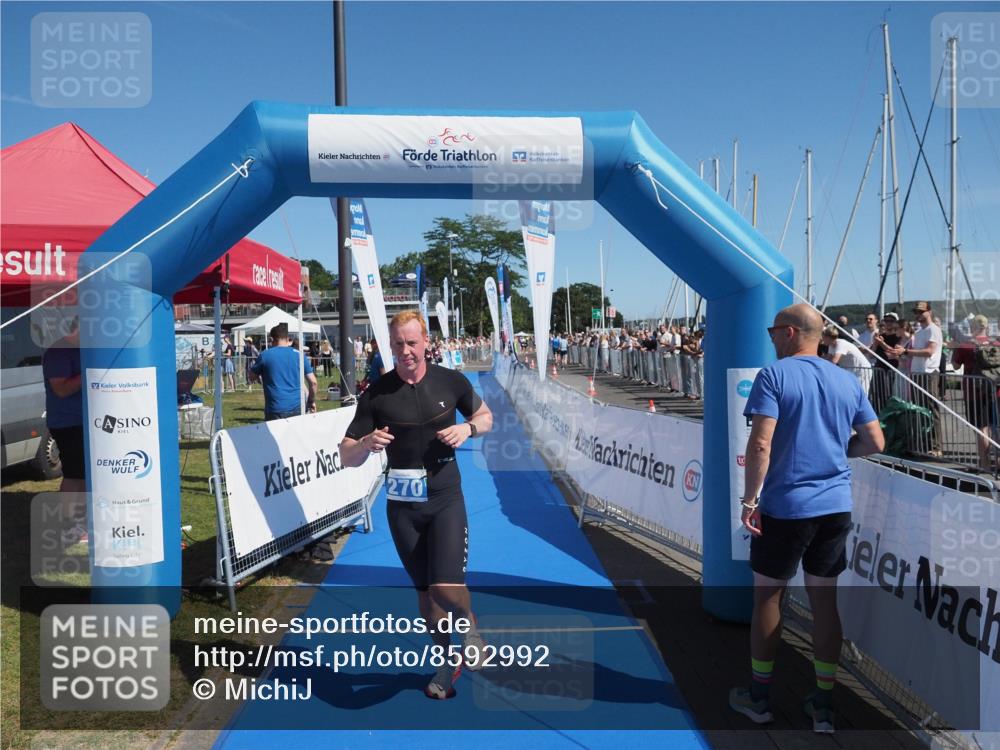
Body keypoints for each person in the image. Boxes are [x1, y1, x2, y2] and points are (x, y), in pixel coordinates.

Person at [729, 303, 884, 734]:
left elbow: (760, 444)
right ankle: (823, 703)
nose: (772, 338)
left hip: (786, 508)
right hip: (834, 507)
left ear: (793, 333)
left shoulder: (774, 375)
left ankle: (759, 698)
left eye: (775, 330)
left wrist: (748, 500)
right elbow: (875, 441)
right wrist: (838, 453)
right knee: (824, 604)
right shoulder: (845, 379)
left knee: (768, 598)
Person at [339, 311, 494, 700]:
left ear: (426, 341)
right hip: (403, 508)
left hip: (445, 499)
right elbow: (345, 454)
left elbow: (485, 415)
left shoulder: (450, 381)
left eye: (412, 342)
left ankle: (469, 623)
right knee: (426, 596)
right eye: (398, 344)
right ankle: (445, 662)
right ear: (388, 346)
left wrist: (468, 428)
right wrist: (364, 445)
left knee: (445, 587)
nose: (406, 351)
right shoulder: (377, 392)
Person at [42, 318, 87, 545]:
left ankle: (82, 522)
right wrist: (88, 371)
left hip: (88, 422)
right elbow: (60, 389)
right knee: (74, 475)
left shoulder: (83, 349)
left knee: (86, 474)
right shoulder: (59, 351)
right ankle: (70, 526)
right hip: (68, 423)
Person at [950, 314, 997, 471]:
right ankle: (997, 462)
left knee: (981, 428)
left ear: (972, 327)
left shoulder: (966, 346)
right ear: (986, 327)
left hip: (974, 392)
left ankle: (984, 465)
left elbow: (955, 366)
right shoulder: (996, 343)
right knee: (995, 426)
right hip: (996, 390)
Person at [900, 301, 943, 456]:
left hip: (929, 373)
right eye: (916, 312)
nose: (918, 314)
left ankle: (936, 446)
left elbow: (929, 351)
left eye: (921, 311)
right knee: (920, 410)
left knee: (931, 409)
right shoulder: (919, 332)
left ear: (929, 312)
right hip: (918, 373)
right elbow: (916, 351)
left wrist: (907, 352)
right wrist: (903, 352)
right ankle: (924, 444)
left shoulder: (933, 330)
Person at [250, 323, 318, 420]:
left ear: (272, 340)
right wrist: (311, 401)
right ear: (287, 339)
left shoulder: (265, 355)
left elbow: (251, 376)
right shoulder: (299, 355)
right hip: (298, 408)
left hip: (275, 409)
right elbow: (313, 382)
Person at [821, 325, 873, 394]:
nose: (822, 339)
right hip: (851, 371)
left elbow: (834, 361)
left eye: (823, 337)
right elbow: (828, 358)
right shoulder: (831, 345)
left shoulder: (841, 343)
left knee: (861, 392)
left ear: (828, 337)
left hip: (862, 370)